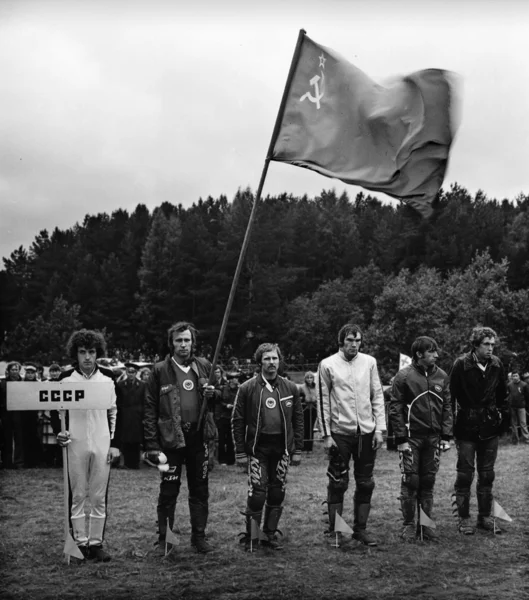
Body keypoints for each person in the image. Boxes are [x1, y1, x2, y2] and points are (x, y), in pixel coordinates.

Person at [143, 321, 217, 554]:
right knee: (168, 490)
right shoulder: (159, 370)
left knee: (200, 490)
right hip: (170, 440)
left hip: (198, 438)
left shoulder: (204, 366)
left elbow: (218, 399)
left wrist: (212, 394)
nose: (183, 345)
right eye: (179, 340)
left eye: (187, 340)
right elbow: (149, 408)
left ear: (193, 343)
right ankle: (166, 539)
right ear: (171, 343)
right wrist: (153, 445)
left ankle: (199, 537)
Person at [53, 329, 120, 562]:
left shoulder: (109, 377)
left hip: (102, 442)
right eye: (82, 352)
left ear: (98, 353)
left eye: (91, 352)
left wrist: (114, 443)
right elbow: (56, 412)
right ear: (76, 353)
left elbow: (114, 411)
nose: (88, 357)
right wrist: (58, 434)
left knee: (98, 496)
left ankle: (96, 543)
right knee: (78, 494)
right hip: (75, 443)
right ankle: (80, 543)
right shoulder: (65, 378)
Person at [317, 323, 385, 546]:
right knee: (338, 482)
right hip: (340, 432)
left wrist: (379, 429)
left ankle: (360, 529)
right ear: (341, 342)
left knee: (366, 483)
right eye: (349, 340)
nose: (354, 345)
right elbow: (322, 400)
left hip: (366, 431)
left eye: (357, 341)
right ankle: (335, 529)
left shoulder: (369, 362)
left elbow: (377, 396)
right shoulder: (327, 365)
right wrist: (326, 435)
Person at [232, 342, 303, 550]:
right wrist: (239, 452)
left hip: (281, 448)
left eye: (274, 358)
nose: (271, 363)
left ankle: (270, 534)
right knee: (257, 493)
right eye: (267, 359)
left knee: (277, 492)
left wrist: (297, 449)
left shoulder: (290, 387)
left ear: (279, 361)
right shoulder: (247, 388)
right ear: (259, 362)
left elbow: (298, 419)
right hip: (257, 448)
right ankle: (253, 536)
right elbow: (237, 420)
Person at [388, 336, 452, 542]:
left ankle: (426, 525)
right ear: (419, 354)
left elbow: (447, 407)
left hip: (433, 438)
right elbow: (395, 408)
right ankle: (408, 525)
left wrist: (445, 435)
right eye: (432, 351)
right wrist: (401, 438)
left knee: (428, 481)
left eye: (436, 351)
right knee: (410, 480)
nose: (436, 355)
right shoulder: (403, 377)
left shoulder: (442, 376)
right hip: (411, 438)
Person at [450, 326, 509, 535]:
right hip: (466, 427)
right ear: (475, 345)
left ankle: (484, 517)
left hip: (490, 427)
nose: (491, 348)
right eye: (486, 344)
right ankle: (463, 519)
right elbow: (451, 397)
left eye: (493, 344)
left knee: (487, 475)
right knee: (465, 475)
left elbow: (503, 395)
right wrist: (449, 429)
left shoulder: (497, 364)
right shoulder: (460, 364)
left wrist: (502, 419)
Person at [115, 363, 145, 469]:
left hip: (137, 416)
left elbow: (144, 402)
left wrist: (143, 416)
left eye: (133, 372)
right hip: (125, 415)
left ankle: (135, 463)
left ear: (136, 373)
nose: (131, 374)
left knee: (136, 440)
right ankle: (126, 462)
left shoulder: (142, 385)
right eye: (129, 372)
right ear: (126, 373)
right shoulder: (120, 384)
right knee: (126, 439)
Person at [38, 363, 63, 467]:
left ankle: (59, 461)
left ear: (60, 372)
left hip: (60, 413)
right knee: (48, 441)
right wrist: (40, 413)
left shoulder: (64, 383)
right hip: (48, 413)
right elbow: (40, 398)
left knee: (60, 439)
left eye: (56, 371)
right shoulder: (44, 383)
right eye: (52, 371)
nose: (54, 373)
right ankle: (49, 461)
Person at [0, 361, 24, 469]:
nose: (15, 371)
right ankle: (7, 462)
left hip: (19, 414)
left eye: (17, 369)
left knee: (19, 438)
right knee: (6, 439)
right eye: (13, 369)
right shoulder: (2, 383)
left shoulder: (23, 382)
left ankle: (19, 462)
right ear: (9, 371)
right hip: (6, 414)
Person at [22, 363, 41, 467]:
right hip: (24, 413)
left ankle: (35, 461)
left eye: (32, 373)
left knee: (35, 437)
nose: (29, 375)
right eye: (28, 373)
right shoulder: (21, 383)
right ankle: (26, 460)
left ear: (35, 374)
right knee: (25, 437)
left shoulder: (38, 384)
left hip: (34, 413)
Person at [216, 371, 238, 465]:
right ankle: (222, 459)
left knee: (231, 439)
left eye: (237, 378)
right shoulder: (223, 389)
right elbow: (219, 402)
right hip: (223, 416)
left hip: (233, 417)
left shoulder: (239, 390)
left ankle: (231, 459)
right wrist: (226, 405)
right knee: (221, 439)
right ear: (231, 380)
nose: (236, 380)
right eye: (235, 378)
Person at [506, 370, 529, 444]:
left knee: (523, 423)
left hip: (521, 406)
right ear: (512, 377)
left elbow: (527, 396)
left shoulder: (524, 385)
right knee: (514, 424)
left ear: (519, 376)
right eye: (513, 376)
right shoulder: (509, 385)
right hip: (512, 407)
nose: (515, 377)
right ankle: (515, 440)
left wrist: (526, 405)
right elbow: (509, 394)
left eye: (516, 375)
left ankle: (526, 439)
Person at [298, 371, 318, 451]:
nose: (309, 379)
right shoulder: (302, 387)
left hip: (313, 408)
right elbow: (299, 398)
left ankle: (310, 446)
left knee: (311, 427)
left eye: (311, 377)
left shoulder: (316, 387)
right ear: (305, 379)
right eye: (308, 377)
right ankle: (303, 445)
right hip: (305, 409)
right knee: (304, 426)